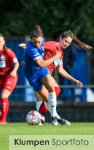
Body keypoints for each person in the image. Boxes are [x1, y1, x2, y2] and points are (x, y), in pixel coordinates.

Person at [24, 25, 71, 126]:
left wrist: (74, 80)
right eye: (34, 42)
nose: (37, 44)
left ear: (42, 39)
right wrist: (55, 57)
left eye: (39, 42)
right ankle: (56, 117)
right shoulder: (31, 49)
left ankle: (52, 117)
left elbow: (60, 69)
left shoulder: (44, 44)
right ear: (61, 39)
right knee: (46, 99)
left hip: (42, 71)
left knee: (53, 88)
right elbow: (41, 64)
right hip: (32, 75)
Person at [0, 34, 19, 125]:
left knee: (4, 96)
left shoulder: (8, 52)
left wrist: (14, 71)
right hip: (0, 77)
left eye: (0, 41)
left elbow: (17, 64)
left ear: (3, 42)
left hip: (9, 77)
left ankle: (3, 121)